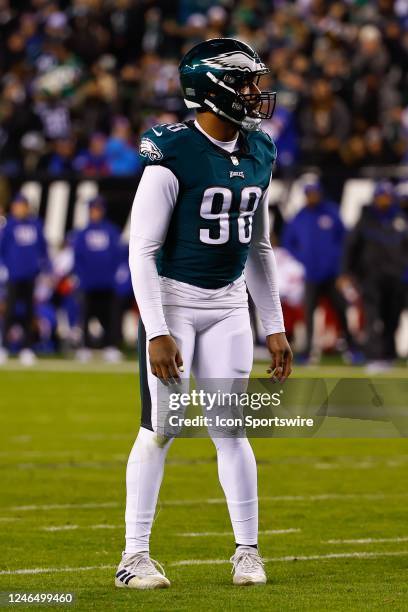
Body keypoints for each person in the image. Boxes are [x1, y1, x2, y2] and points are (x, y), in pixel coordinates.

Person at [116, 38, 292, 590]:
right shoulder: (174, 151)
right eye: (244, 83)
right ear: (212, 90)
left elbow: (258, 247)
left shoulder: (260, 150)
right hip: (173, 301)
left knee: (230, 431)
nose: (255, 93)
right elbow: (140, 250)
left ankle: (247, 550)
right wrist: (158, 330)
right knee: (161, 428)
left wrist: (275, 325)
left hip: (227, 305)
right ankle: (133, 558)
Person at [282, 179, 357, 363]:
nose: (311, 197)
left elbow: (345, 240)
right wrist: (302, 257)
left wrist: (342, 267)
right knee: (308, 313)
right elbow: (288, 241)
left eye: (314, 193)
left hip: (332, 274)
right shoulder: (300, 216)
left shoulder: (331, 212)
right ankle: (308, 351)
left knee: (341, 310)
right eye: (308, 194)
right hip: (311, 275)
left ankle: (351, 348)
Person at [341, 181, 408, 372]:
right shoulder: (366, 220)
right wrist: (346, 272)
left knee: (392, 318)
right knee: (373, 317)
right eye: (381, 196)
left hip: (396, 278)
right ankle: (374, 356)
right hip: (371, 277)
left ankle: (389, 355)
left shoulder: (401, 220)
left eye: (387, 196)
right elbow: (351, 247)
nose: (384, 200)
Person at [0, 193, 49, 365]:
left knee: (29, 313)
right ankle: (4, 346)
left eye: (22, 206)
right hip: (13, 275)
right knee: (10, 311)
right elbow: (2, 249)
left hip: (30, 275)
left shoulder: (35, 225)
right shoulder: (8, 226)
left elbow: (43, 250)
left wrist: (44, 270)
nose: (19, 209)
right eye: (17, 205)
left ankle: (27, 347)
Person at [73, 196, 122, 362]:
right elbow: (77, 258)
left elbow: (118, 255)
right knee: (86, 315)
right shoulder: (82, 233)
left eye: (97, 209)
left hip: (107, 283)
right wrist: (81, 277)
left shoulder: (111, 231)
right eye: (92, 209)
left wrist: (114, 275)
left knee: (109, 316)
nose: (95, 212)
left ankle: (110, 346)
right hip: (88, 283)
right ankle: (85, 347)